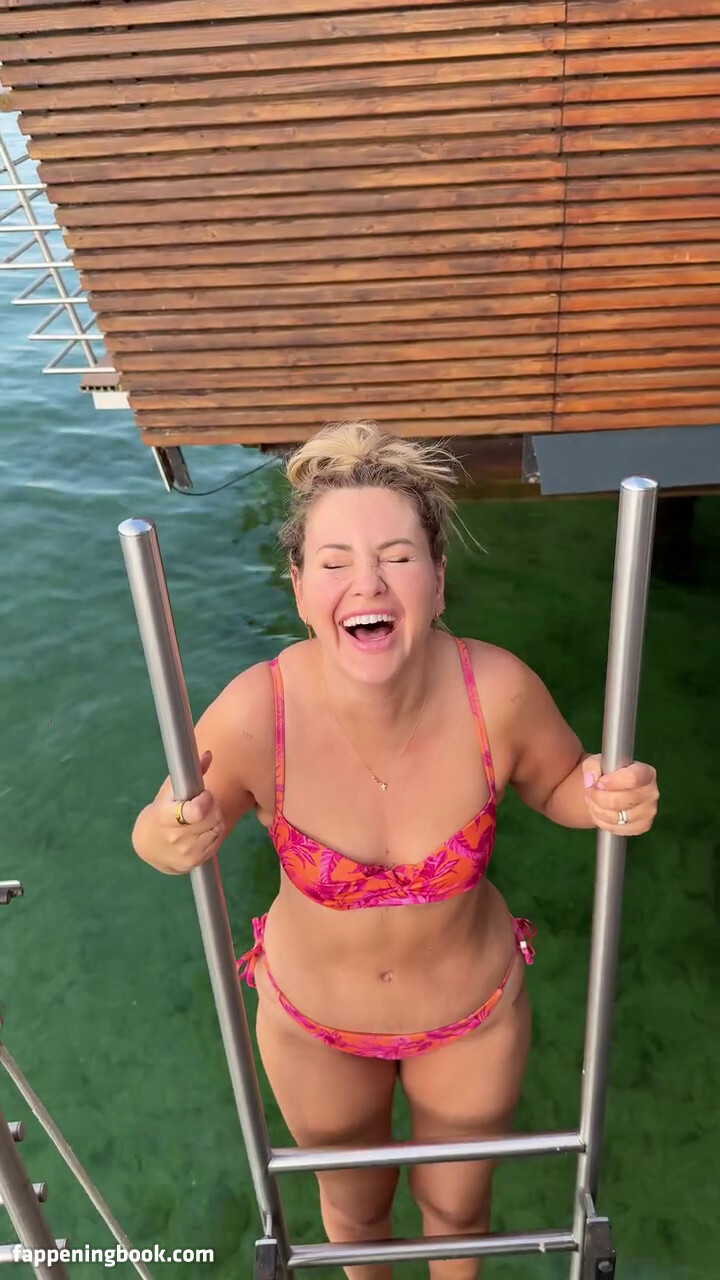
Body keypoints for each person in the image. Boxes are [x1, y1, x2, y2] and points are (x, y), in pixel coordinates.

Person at [132, 421, 659, 1280]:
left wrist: (606, 792)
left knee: (458, 1215)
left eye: (398, 557)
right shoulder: (258, 711)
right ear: (300, 589)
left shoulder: (497, 691)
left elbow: (563, 783)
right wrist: (169, 834)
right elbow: (165, 832)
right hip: (313, 1027)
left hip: (471, 1019)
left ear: (439, 580)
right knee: (354, 1213)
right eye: (334, 562)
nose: (367, 582)